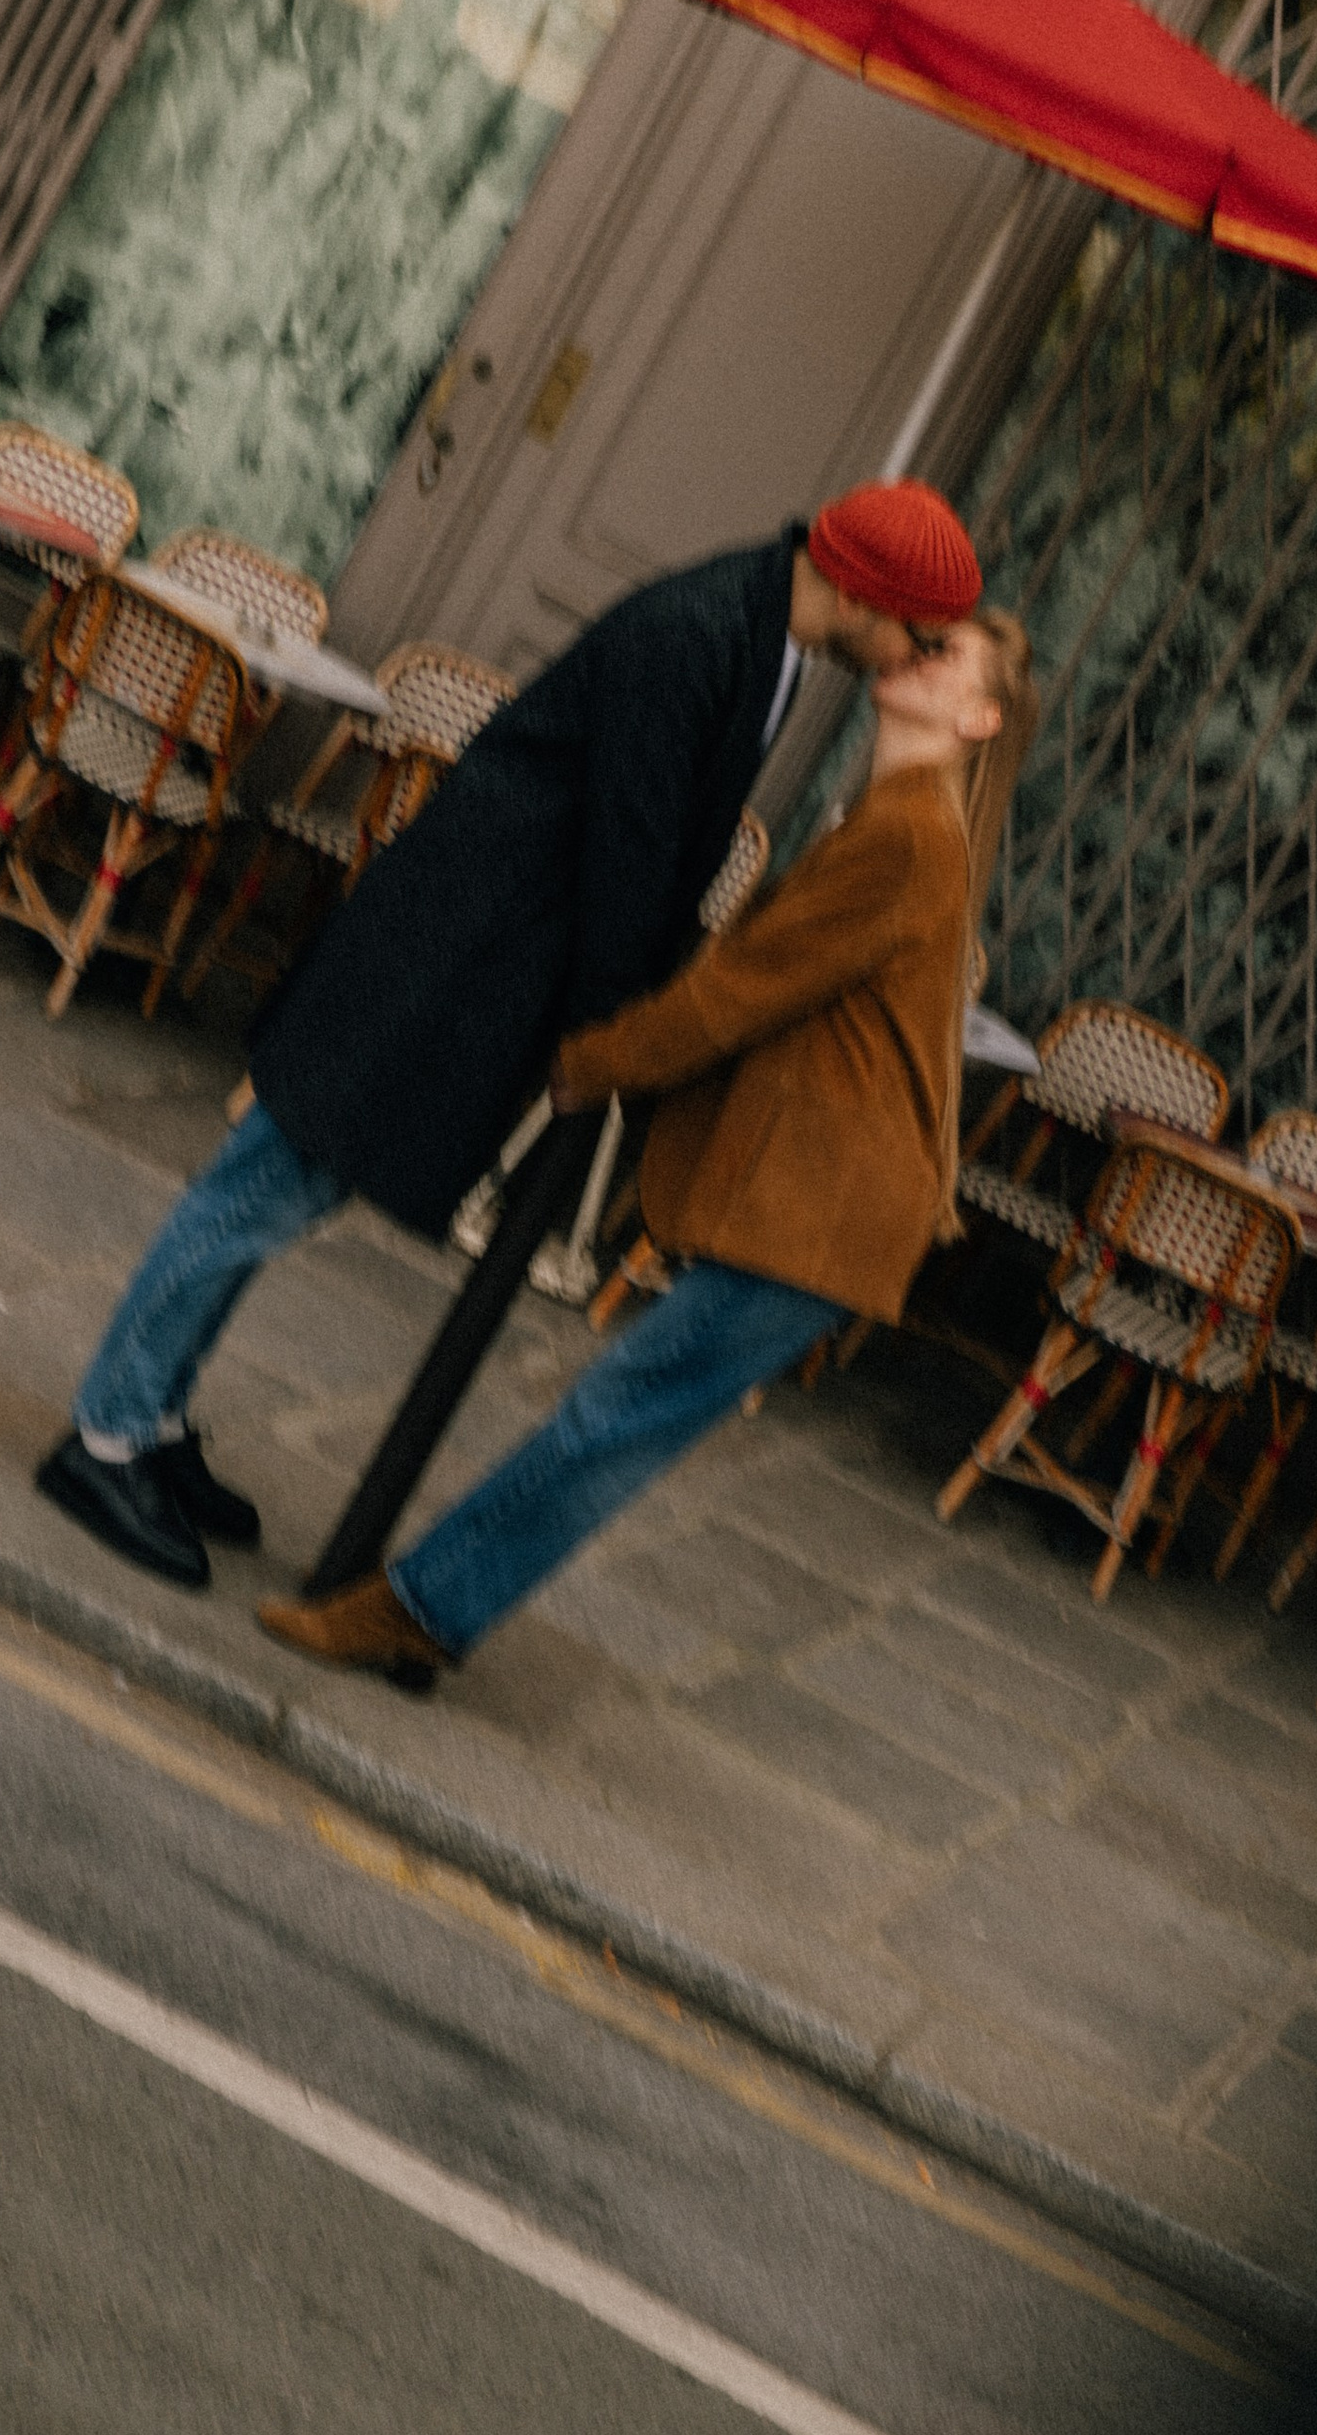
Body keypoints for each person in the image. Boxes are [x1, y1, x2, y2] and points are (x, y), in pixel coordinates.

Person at [33, 480, 983, 1587]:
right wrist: (615, 1038)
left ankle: (148, 1421)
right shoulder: (701, 629)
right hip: (447, 950)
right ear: (869, 596)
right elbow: (629, 851)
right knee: (264, 1185)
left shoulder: (757, 632)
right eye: (919, 631)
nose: (911, 656)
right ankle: (103, 1434)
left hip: (472, 956)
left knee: (289, 1188)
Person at [255, 607, 1036, 1689]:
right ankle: (426, 1613)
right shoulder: (895, 818)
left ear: (978, 715)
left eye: (944, 652)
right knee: (626, 1414)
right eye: (919, 631)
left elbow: (740, 991)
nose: (912, 645)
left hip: (824, 1205)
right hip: (818, 1196)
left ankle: (420, 1610)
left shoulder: (909, 836)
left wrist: (601, 1058)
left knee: (618, 1417)